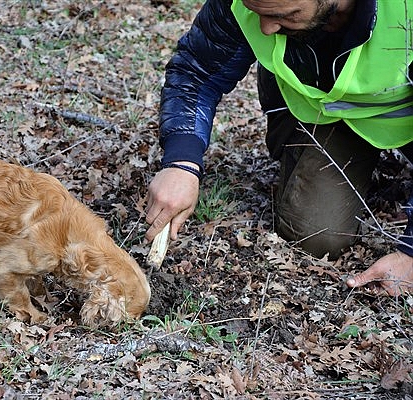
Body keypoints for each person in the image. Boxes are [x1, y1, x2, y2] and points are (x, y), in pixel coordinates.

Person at [145, 0, 413, 295]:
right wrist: (182, 162)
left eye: (283, 15)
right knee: (317, 233)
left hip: (401, 112)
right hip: (328, 112)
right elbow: (195, 71)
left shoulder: (404, 12)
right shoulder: (247, 4)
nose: (266, 28)